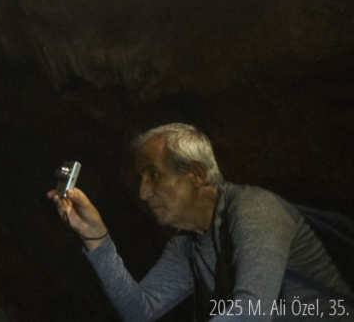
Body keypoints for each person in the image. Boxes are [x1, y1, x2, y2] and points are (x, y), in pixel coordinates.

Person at [48, 123, 353, 322]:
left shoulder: (256, 210)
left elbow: (251, 312)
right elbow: (140, 310)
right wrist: (96, 238)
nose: (142, 192)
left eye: (153, 174)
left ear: (195, 174)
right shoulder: (189, 242)